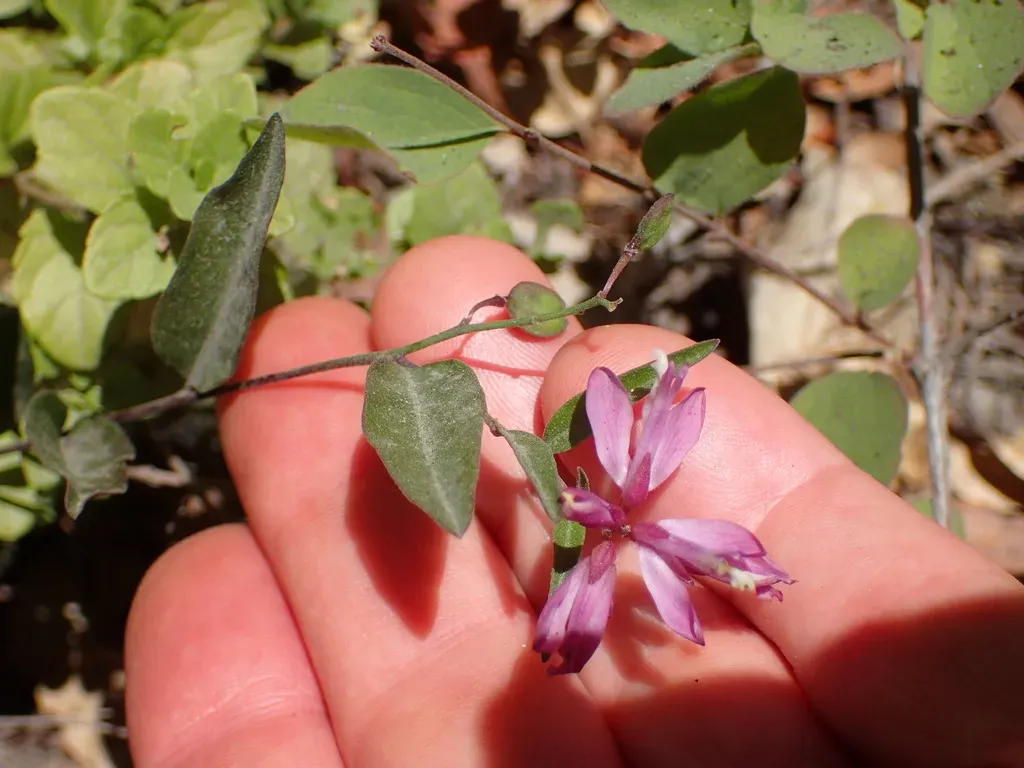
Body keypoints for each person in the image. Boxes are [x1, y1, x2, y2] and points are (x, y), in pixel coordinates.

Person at [124, 236, 1024, 767]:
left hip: (613, 529)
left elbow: (638, 448)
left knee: (681, 549)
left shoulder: (615, 544)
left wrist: (609, 540)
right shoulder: (598, 522)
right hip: (605, 521)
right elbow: (632, 427)